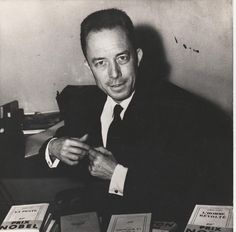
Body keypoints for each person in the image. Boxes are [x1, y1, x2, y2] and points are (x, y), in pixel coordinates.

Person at [41, 8, 232, 220]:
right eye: (101, 63)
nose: (114, 74)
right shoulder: (83, 103)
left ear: (138, 57)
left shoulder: (183, 111)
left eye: (121, 58)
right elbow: (55, 147)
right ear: (89, 67)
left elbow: (192, 195)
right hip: (99, 230)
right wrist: (54, 147)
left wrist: (117, 175)